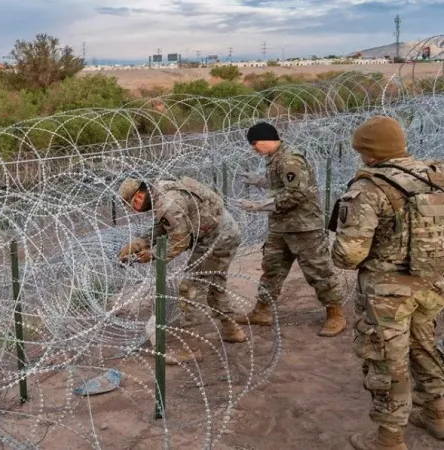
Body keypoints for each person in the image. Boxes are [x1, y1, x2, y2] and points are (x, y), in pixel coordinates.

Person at [330, 115, 444, 449]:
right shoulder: (434, 175)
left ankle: (389, 439)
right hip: (432, 282)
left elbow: (349, 255)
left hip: (386, 293)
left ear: (368, 151)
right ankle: (437, 414)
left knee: (387, 360)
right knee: (424, 346)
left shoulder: (369, 188)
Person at [117, 176, 247, 358]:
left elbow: (180, 240)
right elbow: (164, 225)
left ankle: (191, 350)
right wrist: (139, 244)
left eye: (134, 203)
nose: (134, 208)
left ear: (140, 194)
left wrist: (153, 255)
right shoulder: (160, 189)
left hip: (217, 239)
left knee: (190, 290)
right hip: (222, 232)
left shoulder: (168, 202)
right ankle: (232, 331)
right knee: (215, 286)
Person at [236, 121, 346, 337]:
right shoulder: (275, 159)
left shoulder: (289, 159)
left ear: (268, 139)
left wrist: (261, 206)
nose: (253, 148)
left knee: (318, 270)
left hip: (303, 226)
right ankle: (262, 311)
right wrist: (259, 181)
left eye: (255, 142)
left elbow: (297, 193)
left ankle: (335, 314)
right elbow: (282, 185)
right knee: (272, 269)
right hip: (281, 226)